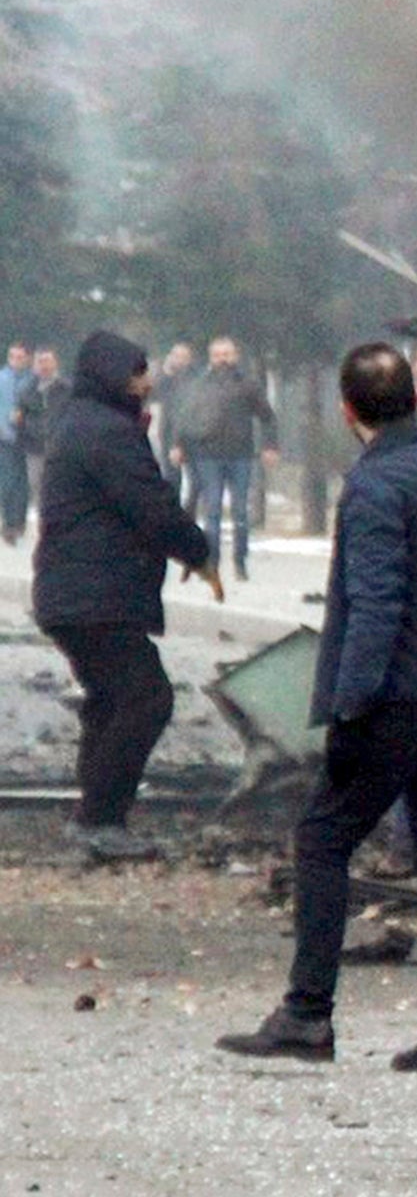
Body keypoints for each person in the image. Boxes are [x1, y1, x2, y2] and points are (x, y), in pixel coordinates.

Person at [217, 343, 417, 1072]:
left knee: (322, 838)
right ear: (414, 398)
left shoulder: (376, 488)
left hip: (399, 700)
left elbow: (376, 607)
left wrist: (348, 713)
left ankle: (306, 1016)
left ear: (348, 412)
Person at [31, 332, 221, 861]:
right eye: (138, 372)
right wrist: (199, 551)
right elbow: (151, 505)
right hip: (95, 594)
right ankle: (100, 820)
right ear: (114, 377)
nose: (147, 381)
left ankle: (94, 818)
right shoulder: (108, 432)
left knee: (110, 701)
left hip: (75, 592)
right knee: (146, 698)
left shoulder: (80, 420)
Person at [172, 336, 279, 581]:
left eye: (227, 354)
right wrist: (178, 445)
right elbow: (184, 416)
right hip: (207, 456)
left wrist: (270, 446)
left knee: (240, 511)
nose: (223, 359)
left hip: (241, 456)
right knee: (213, 511)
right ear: (211, 358)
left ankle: (240, 562)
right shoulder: (200, 384)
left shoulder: (248, 385)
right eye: (218, 355)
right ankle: (213, 561)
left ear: (236, 356)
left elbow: (268, 417)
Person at [17, 346, 72, 504]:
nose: (44, 366)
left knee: (62, 488)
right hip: (35, 450)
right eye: (40, 362)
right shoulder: (26, 391)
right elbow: (20, 420)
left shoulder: (68, 389)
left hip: (61, 449)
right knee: (37, 488)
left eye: (47, 361)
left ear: (56, 363)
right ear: (34, 365)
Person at [152, 341, 196, 487]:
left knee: (196, 478)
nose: (179, 360)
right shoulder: (164, 378)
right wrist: (165, 373)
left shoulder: (196, 378)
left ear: (190, 359)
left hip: (193, 433)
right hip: (168, 432)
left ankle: (191, 508)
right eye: (175, 356)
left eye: (183, 356)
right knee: (172, 477)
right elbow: (153, 394)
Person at [0, 341, 30, 543]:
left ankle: (19, 521)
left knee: (24, 483)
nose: (16, 361)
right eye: (13, 356)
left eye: (20, 357)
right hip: (4, 437)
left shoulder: (32, 380)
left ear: (26, 359)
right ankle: (9, 522)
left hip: (28, 439)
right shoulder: (1, 378)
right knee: (8, 480)